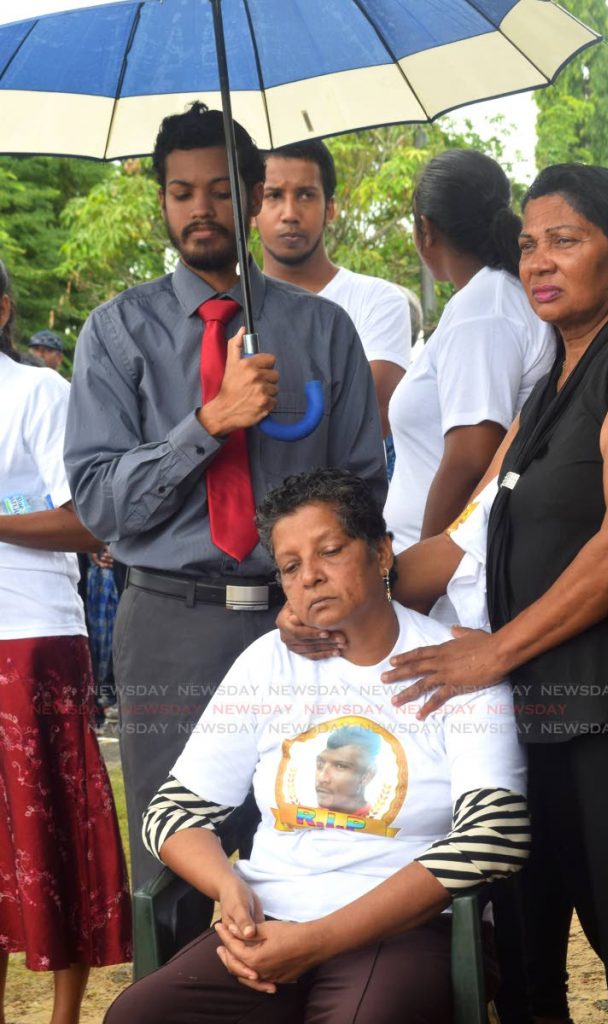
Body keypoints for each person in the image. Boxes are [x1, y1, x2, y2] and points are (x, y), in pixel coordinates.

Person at [63, 102, 387, 911]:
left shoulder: (323, 331)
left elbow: (362, 488)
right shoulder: (115, 334)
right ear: (163, 204)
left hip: (307, 630)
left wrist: (319, 595)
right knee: (173, 875)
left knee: (319, 850)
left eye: (218, 189)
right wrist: (209, 421)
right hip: (173, 629)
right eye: (180, 192)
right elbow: (102, 505)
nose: (199, 209)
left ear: (252, 193)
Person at [380, 164, 608, 1024]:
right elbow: (463, 539)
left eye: (566, 241)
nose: (539, 263)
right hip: (525, 720)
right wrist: (344, 584)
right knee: (518, 955)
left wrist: (494, 650)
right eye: (526, 246)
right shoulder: (546, 384)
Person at [104, 468, 529, 1024]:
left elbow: (495, 834)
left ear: (381, 554)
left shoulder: (457, 664)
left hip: (402, 929)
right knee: (138, 1016)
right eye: (290, 566)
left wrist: (317, 940)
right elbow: (172, 813)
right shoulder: (266, 664)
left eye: (330, 551)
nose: (310, 577)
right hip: (268, 920)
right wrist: (228, 887)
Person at [0, 260, 131, 1024]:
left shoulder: (39, 393)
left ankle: (63, 1016)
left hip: (33, 639)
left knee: (52, 830)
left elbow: (88, 522)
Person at [383, 149, 554, 567]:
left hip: (453, 577)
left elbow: (470, 458)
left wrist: (422, 573)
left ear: (425, 229)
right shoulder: (491, 297)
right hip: (458, 562)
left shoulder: (484, 307)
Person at [255, 140, 412, 437]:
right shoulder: (230, 309)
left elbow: (371, 416)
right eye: (273, 195)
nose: (289, 213)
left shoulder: (378, 300)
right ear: (251, 208)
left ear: (330, 208)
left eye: (305, 195)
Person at [315, 725, 380, 814]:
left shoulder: (380, 822)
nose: (321, 778)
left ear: (367, 776)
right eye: (320, 764)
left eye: (340, 766)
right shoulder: (300, 820)